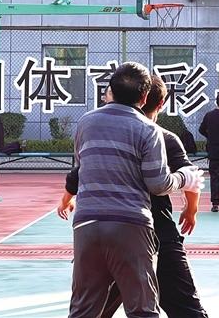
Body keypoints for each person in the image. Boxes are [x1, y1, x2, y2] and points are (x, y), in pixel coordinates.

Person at [62, 62, 204, 318]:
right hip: (133, 228)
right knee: (144, 310)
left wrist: (67, 199)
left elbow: (80, 170)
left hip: (87, 226)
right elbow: (158, 184)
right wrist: (186, 180)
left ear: (110, 91)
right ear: (146, 97)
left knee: (84, 310)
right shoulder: (151, 131)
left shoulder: (86, 123)